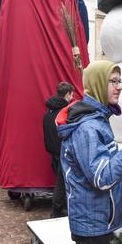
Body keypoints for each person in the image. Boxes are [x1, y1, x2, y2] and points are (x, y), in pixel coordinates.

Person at [56, 60, 122, 244]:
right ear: (98, 84)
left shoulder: (98, 119)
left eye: (120, 81)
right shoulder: (88, 127)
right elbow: (102, 177)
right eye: (113, 81)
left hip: (99, 222)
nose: (119, 87)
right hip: (92, 227)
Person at [43, 81, 74, 218]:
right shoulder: (64, 112)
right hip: (62, 150)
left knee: (60, 180)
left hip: (52, 151)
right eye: (71, 94)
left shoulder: (49, 111)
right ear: (67, 94)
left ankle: (62, 208)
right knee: (61, 183)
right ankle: (56, 212)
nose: (72, 97)